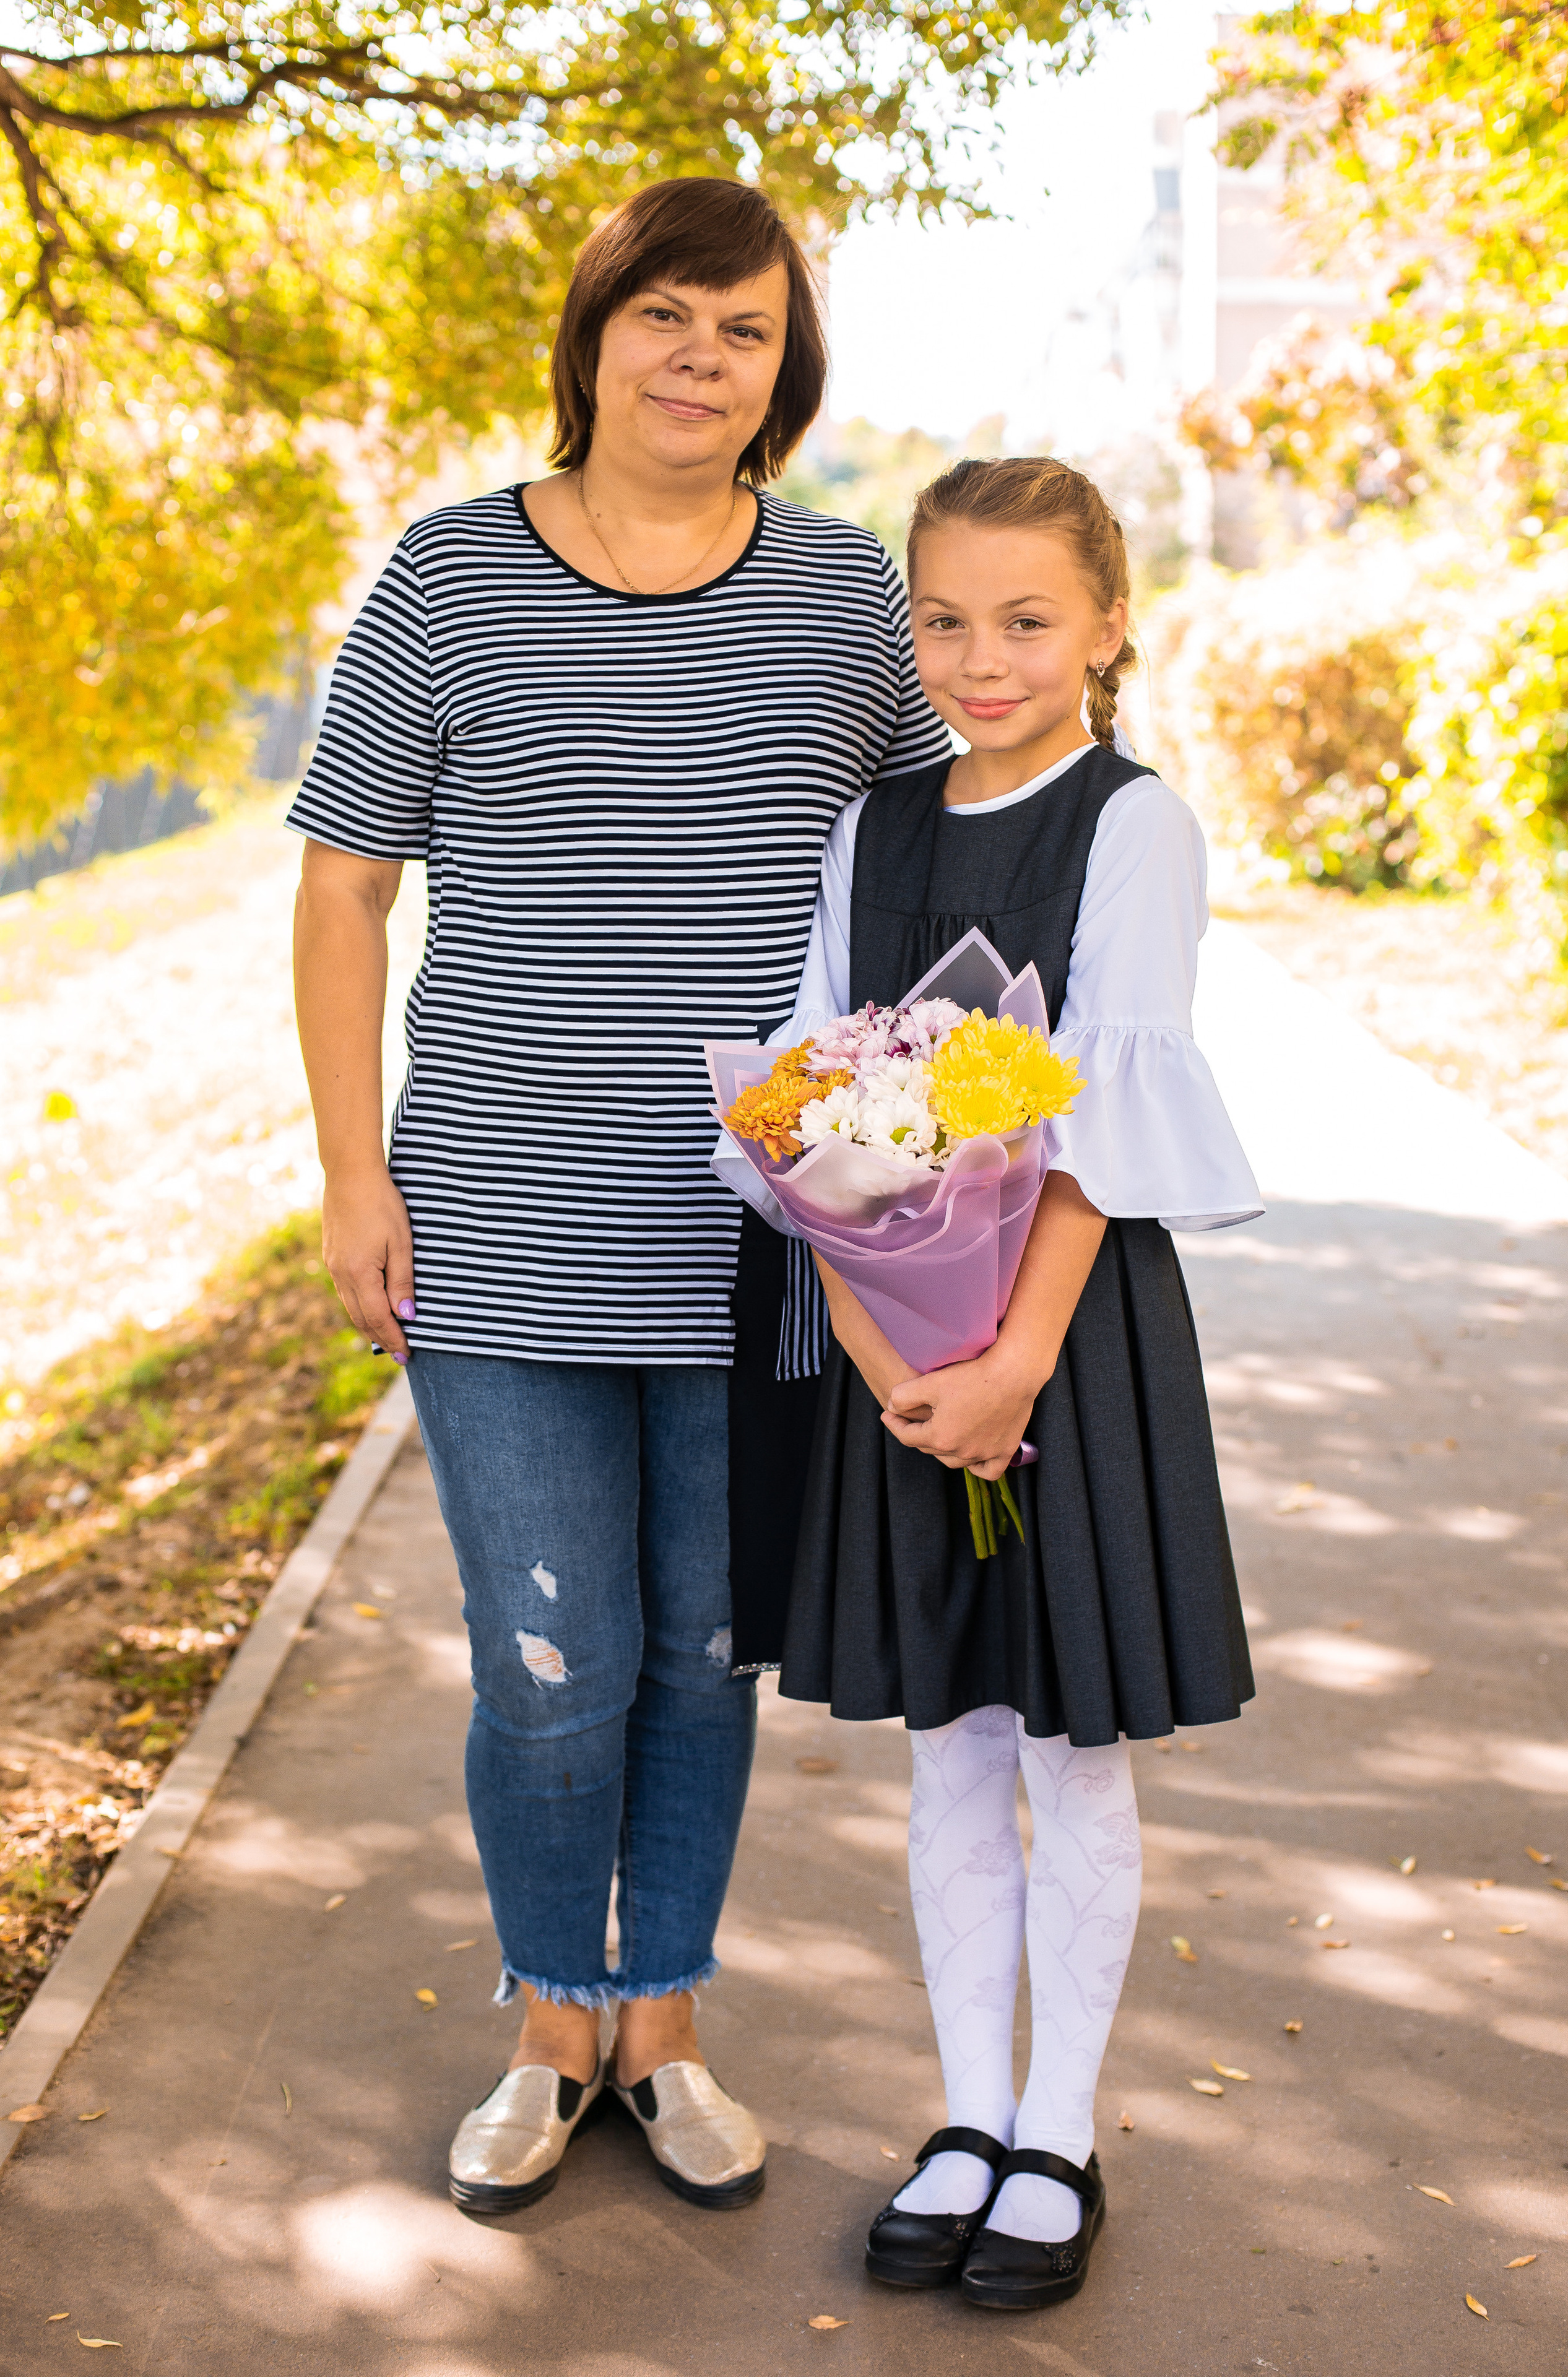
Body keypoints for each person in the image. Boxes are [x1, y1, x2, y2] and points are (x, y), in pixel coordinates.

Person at [288, 176, 950, 2215]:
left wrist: (937, 1180)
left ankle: (658, 2024)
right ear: (593, 335)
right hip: (492, 1216)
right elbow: (341, 887)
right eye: (666, 315)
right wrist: (346, 1165)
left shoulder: (846, 596)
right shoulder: (448, 578)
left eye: (743, 332)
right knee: (547, 1665)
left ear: (784, 375)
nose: (699, 358)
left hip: (771, 1252)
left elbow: (953, 871)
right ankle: (544, 2024)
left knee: (700, 1650)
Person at [771, 457, 1263, 2309]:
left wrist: (1014, 1363)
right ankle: (966, 2112)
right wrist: (897, 1346)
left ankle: (1059, 2128)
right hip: (907, 1354)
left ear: (1109, 625)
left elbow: (1102, 1119)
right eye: (946, 620)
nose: (982, 659)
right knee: (952, 1750)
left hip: (1072, 1341)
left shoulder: (1134, 825)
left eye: (1028, 620)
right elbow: (810, 1112)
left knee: (1072, 1744)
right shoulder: (869, 826)